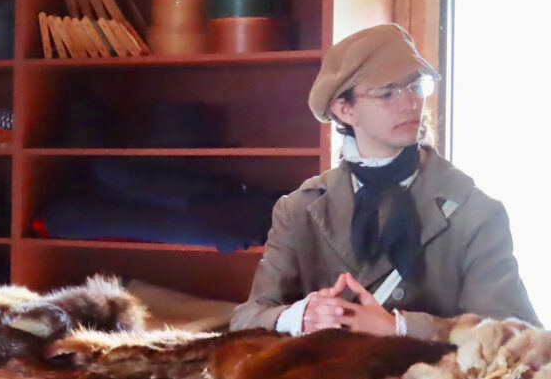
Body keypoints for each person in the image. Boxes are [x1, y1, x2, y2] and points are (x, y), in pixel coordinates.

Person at [230, 23, 538, 340]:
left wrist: (400, 327)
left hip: (427, 373)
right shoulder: (299, 210)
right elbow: (246, 319)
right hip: (329, 371)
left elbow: (519, 335)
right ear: (344, 109)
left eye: (415, 86)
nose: (410, 103)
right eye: (386, 93)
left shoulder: (474, 212)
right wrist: (299, 316)